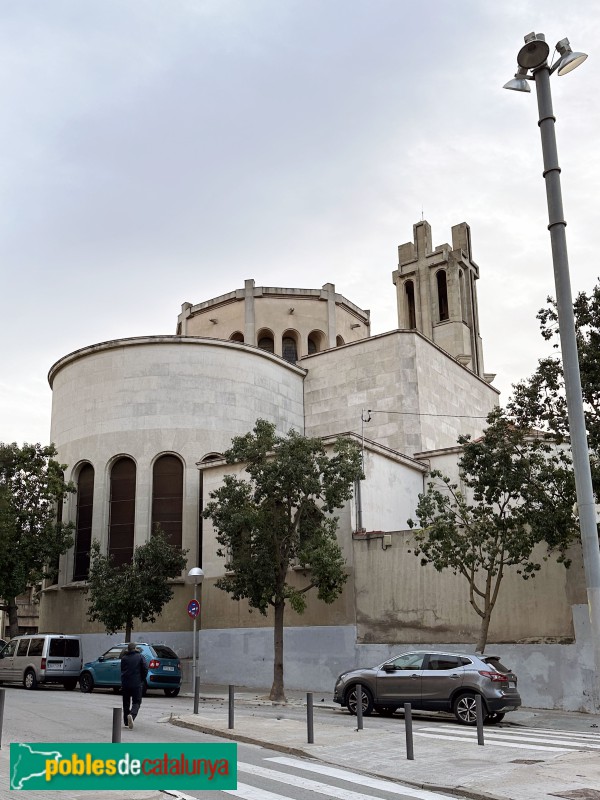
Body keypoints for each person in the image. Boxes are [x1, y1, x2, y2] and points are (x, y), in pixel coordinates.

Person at [120, 642, 148, 729]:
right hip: (136, 683)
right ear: (135, 648)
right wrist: (142, 679)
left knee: (126, 703)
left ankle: (126, 721)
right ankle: (132, 715)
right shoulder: (140, 657)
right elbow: (145, 669)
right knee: (137, 702)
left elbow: (122, 670)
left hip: (125, 684)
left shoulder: (124, 658)